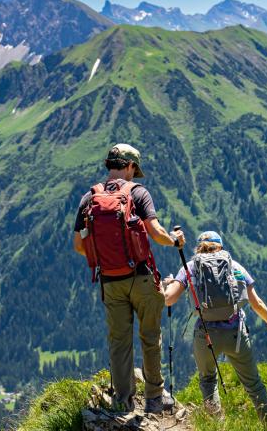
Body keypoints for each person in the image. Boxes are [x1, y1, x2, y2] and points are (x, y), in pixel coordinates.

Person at [73, 143, 186, 414]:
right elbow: (155, 232)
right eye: (136, 169)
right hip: (143, 277)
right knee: (150, 336)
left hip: (110, 280)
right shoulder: (137, 192)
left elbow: (78, 244)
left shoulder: (89, 198)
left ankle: (123, 401)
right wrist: (175, 241)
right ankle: (155, 399)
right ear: (130, 166)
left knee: (120, 341)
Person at [163, 231, 267, 431]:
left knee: (208, 381)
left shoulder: (190, 267)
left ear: (199, 248)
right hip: (236, 334)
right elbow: (256, 303)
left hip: (206, 335)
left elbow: (168, 299)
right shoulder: (234, 266)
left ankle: (218, 427)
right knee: (254, 385)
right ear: (221, 247)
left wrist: (165, 285)